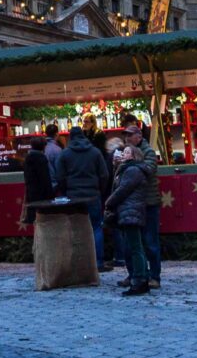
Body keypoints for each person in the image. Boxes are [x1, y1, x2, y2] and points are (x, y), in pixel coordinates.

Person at [54, 121, 112, 270]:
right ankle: (98, 262)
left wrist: (66, 191)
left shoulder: (65, 154)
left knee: (75, 229)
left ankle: (78, 263)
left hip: (73, 196)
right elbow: (104, 174)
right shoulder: (95, 152)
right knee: (96, 228)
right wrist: (100, 190)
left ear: (70, 138)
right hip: (93, 195)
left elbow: (59, 176)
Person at [104, 145, 153, 296]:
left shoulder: (133, 170)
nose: (123, 154)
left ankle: (139, 280)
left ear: (134, 155)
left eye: (126, 152)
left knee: (135, 247)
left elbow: (121, 189)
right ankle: (141, 278)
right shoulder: (128, 169)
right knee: (134, 246)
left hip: (130, 211)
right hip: (130, 211)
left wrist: (108, 202)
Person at [121, 119, 161, 288]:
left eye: (130, 135)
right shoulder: (126, 151)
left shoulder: (148, 152)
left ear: (139, 136)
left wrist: (130, 163)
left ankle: (154, 276)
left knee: (150, 241)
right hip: (133, 204)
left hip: (149, 202)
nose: (127, 139)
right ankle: (135, 274)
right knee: (131, 243)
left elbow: (150, 169)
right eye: (126, 136)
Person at [22, 138, 54, 210]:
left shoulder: (27, 158)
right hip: (42, 194)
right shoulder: (41, 158)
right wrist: (50, 194)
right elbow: (45, 178)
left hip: (31, 191)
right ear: (43, 146)